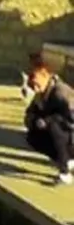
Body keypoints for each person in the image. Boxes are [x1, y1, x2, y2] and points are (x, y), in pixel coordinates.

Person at [24, 56, 74, 185]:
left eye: (35, 81)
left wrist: (48, 120)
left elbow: (71, 116)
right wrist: (33, 121)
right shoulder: (40, 95)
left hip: (70, 131)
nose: (33, 87)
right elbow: (29, 114)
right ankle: (67, 160)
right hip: (64, 133)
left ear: (45, 75)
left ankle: (65, 173)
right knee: (32, 137)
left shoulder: (60, 92)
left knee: (54, 127)